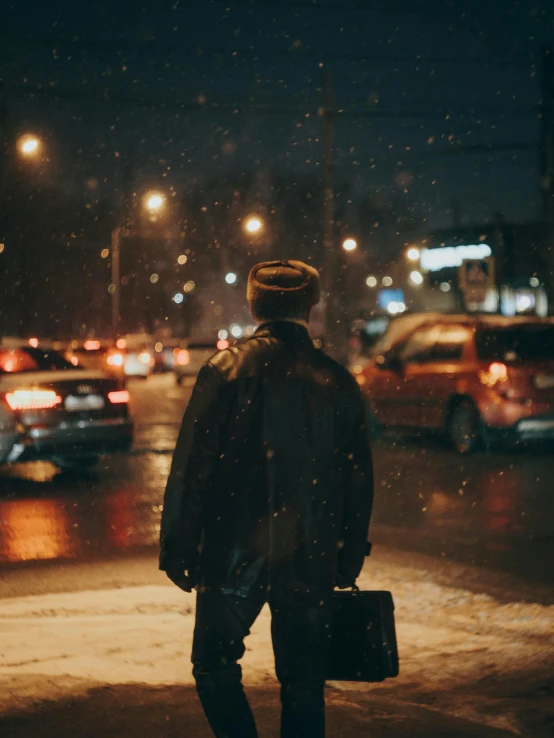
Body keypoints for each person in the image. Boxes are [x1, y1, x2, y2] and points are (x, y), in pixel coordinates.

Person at [160, 259, 373, 738]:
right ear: (310, 305)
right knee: (303, 681)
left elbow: (193, 468)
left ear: (254, 304)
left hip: (232, 547)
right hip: (311, 548)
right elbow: (358, 478)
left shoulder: (225, 370)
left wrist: (178, 543)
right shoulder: (336, 380)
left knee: (214, 666)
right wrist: (349, 551)